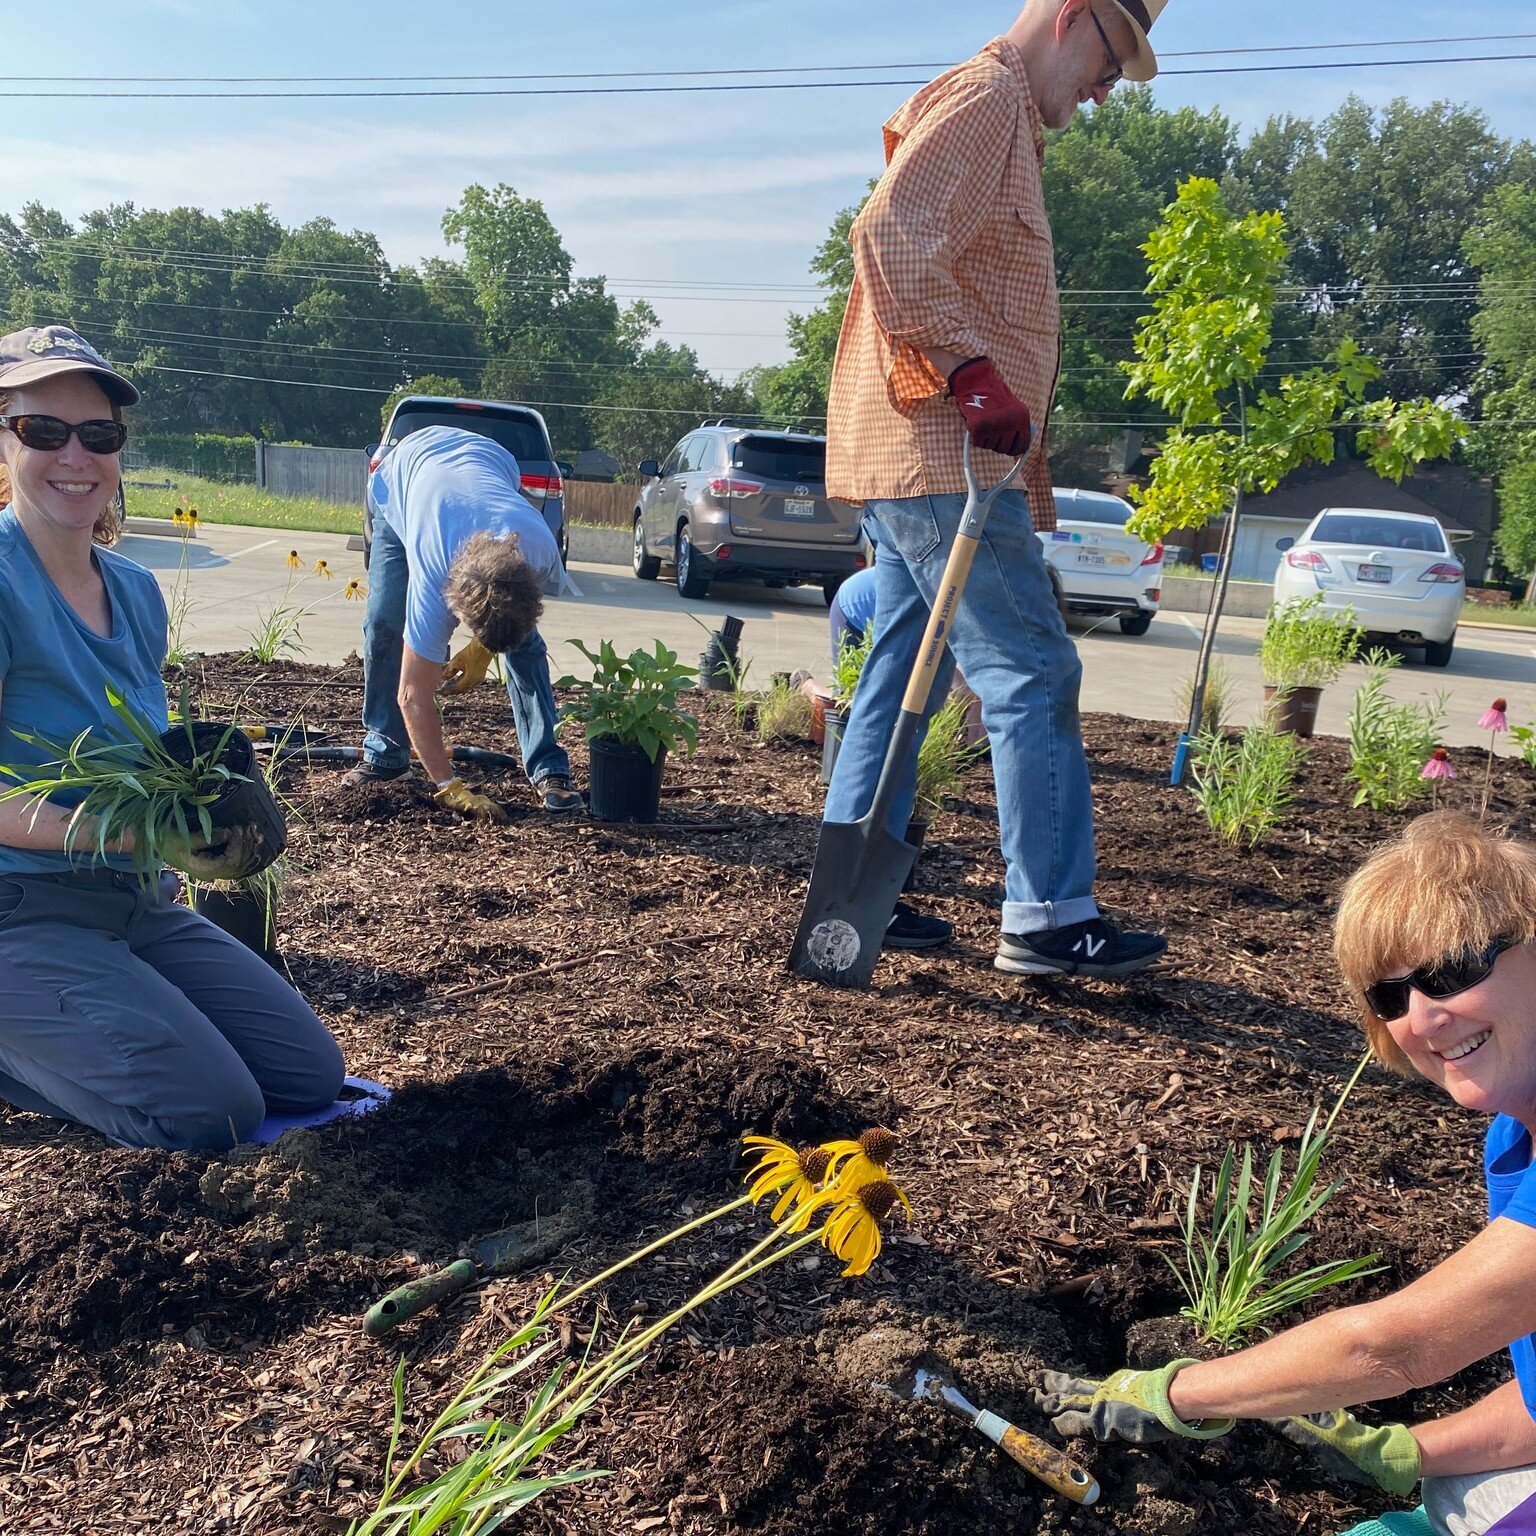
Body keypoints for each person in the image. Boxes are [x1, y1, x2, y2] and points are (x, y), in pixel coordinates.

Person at [1035, 811, 1536, 1536]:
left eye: (1453, 969)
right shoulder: (1513, 1137)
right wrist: (1397, 1450)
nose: (1423, 1019)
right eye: (1391, 996)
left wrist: (1175, 1393)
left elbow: (1393, 1349)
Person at [818, 0, 1168, 975]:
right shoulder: (984, 101)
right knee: (1032, 668)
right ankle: (1049, 915)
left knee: (894, 676)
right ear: (1071, 18)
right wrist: (973, 371)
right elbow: (885, 233)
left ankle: (847, 908)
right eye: (1112, 58)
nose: (1106, 88)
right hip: (943, 458)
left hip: (921, 458)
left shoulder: (1006, 118)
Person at [0, 326, 344, 1151]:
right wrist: (129, 830)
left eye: (100, 435)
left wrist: (212, 791)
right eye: (43, 431)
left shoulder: (135, 589)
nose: (74, 455)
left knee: (307, 1076)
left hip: (136, 905)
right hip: (21, 912)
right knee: (210, 1112)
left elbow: (140, 748)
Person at [349, 425, 582, 820]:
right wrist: (449, 787)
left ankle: (549, 767)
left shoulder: (540, 549)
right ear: (454, 607)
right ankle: (386, 752)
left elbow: (522, 611)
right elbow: (412, 695)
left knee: (525, 645)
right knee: (385, 625)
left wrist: (487, 645)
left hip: (490, 461)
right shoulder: (433, 575)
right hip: (404, 477)